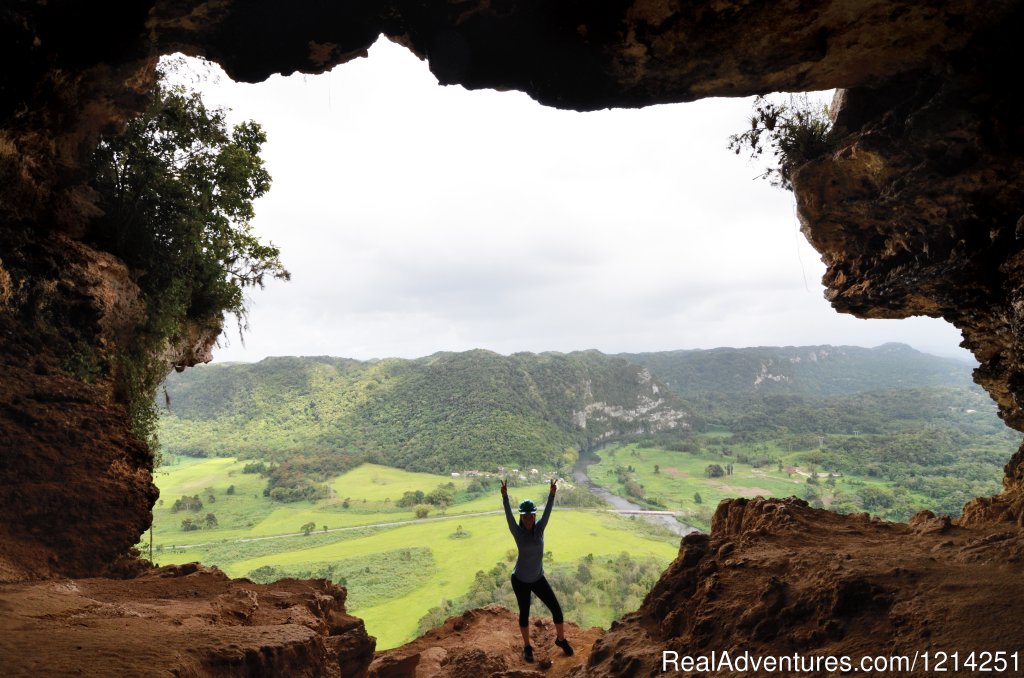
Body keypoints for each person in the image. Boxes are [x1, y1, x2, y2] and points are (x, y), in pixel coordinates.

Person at [501, 477, 574, 662]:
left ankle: (561, 639)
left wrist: (552, 494)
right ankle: (527, 647)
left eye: (531, 515)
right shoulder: (517, 532)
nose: (528, 519)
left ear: (534, 515)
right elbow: (508, 515)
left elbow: (548, 512)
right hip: (520, 580)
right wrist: (505, 497)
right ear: (521, 517)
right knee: (524, 614)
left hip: (538, 577)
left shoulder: (540, 529)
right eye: (525, 516)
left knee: (557, 610)